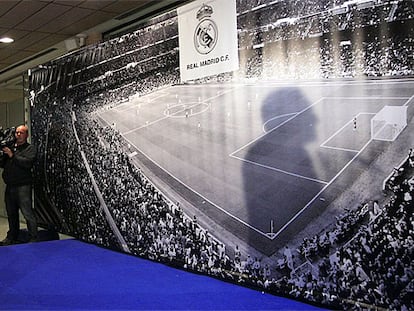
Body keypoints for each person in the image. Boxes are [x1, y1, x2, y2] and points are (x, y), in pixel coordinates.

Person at [0, 125, 37, 245]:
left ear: (26, 135)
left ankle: (33, 238)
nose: (18, 135)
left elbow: (27, 164)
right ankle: (12, 237)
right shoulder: (11, 148)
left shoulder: (30, 149)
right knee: (11, 213)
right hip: (10, 186)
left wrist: (12, 155)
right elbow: (3, 164)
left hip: (23, 186)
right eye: (17, 132)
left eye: (21, 133)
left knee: (27, 213)